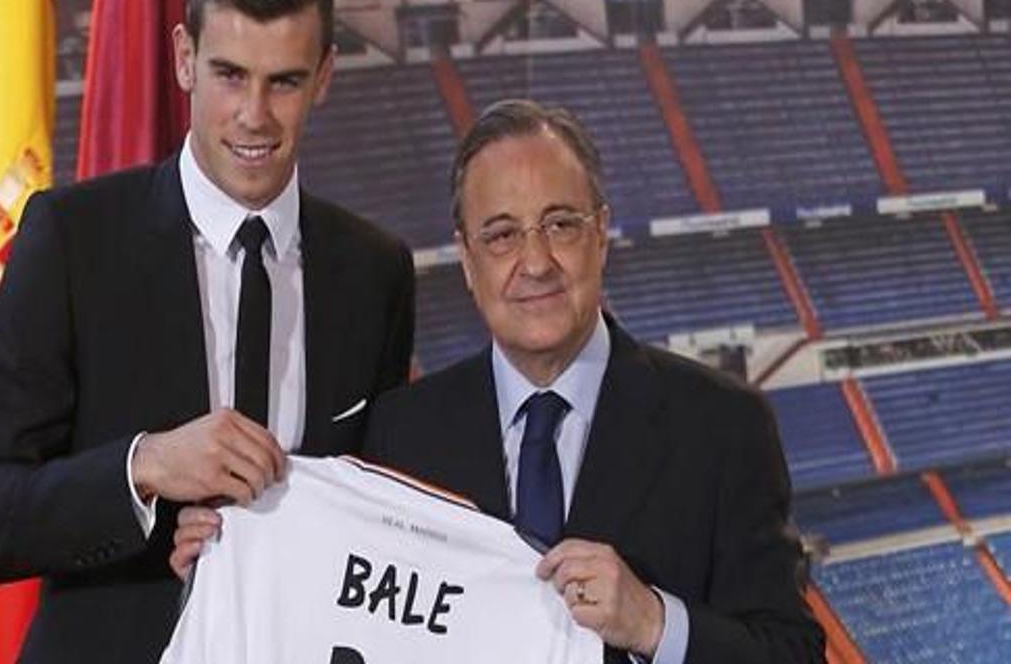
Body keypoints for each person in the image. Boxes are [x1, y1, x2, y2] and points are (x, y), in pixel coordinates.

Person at [173, 100, 823, 663]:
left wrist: (654, 622)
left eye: (560, 225)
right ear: (467, 259)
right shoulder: (404, 431)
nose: (535, 262)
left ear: (601, 234)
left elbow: (793, 652)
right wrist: (239, 553)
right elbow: (336, 609)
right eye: (502, 235)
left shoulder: (724, 425)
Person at [0, 0, 415, 660]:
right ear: (184, 58)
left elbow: (376, 519)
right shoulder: (73, 239)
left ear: (324, 76)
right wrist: (145, 469)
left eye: (284, 82)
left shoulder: (375, 272)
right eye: (230, 75)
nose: (254, 116)